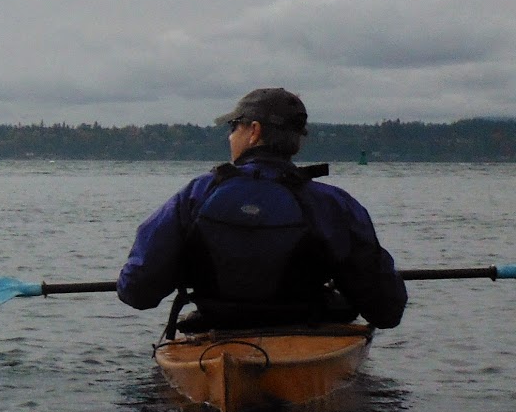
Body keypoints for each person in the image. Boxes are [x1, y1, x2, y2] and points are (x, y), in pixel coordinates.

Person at [118, 87, 406, 333]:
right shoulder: (333, 205)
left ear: (254, 131)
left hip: (217, 333)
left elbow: (137, 291)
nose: (230, 137)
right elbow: (386, 310)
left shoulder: (196, 195)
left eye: (234, 127)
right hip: (304, 334)